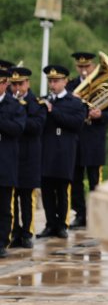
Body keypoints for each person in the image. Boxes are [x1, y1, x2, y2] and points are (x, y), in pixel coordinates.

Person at [67, 51, 108, 230]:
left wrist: (100, 114)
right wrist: (72, 101)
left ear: (94, 66)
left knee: (95, 180)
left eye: (87, 66)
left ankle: (98, 214)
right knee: (75, 179)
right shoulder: (70, 86)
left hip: (94, 139)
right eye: (80, 66)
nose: (83, 70)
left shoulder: (104, 86)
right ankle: (80, 214)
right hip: (75, 138)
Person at [38, 64, 88, 240]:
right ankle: (50, 224)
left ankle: (61, 225)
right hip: (47, 149)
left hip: (65, 150)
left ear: (65, 81)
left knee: (62, 189)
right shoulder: (44, 101)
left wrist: (54, 111)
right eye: (50, 81)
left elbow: (76, 123)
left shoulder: (75, 102)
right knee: (47, 189)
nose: (53, 84)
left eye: (56, 81)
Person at [8, 67, 44, 249]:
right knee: (12, 197)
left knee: (27, 197)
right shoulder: (7, 101)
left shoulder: (36, 103)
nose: (17, 88)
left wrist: (20, 116)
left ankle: (27, 233)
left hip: (29, 156)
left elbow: (37, 126)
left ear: (27, 83)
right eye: (14, 84)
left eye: (20, 84)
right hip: (12, 155)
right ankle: (14, 232)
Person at [0, 65, 26, 258]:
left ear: (4, 84)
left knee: (4, 206)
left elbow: (18, 129)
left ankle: (1, 242)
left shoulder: (15, 106)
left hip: (5, 161)